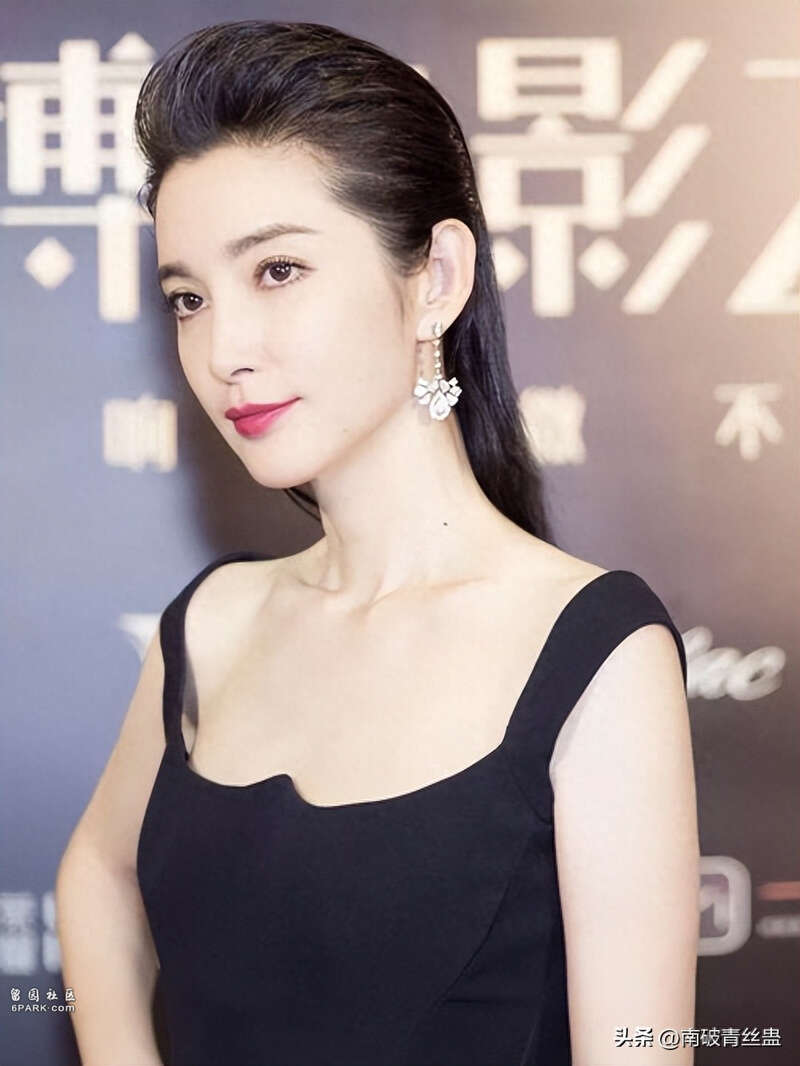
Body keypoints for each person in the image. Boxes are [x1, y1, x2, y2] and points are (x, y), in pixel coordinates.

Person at [54, 19, 700, 1066]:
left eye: (277, 271)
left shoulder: (592, 650)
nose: (223, 349)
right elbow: (97, 870)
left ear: (435, 277)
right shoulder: (211, 625)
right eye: (188, 298)